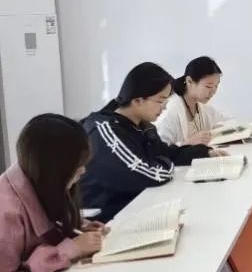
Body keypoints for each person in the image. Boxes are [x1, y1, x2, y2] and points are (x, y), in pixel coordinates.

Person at [80, 62, 220, 223]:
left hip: (136, 206)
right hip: (105, 220)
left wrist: (204, 152)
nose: (164, 108)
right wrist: (162, 161)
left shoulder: (142, 125)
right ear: (138, 100)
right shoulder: (105, 130)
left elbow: (166, 153)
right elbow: (151, 175)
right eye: (160, 101)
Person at [0, 114, 104, 272]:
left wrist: (76, 228)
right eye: (76, 165)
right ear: (54, 169)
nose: (83, 171)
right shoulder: (6, 214)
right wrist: (68, 250)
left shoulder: (36, 179)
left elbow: (46, 220)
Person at [156, 56, 229, 146]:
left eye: (216, 86)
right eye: (208, 86)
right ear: (189, 81)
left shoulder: (202, 106)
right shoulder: (170, 111)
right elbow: (159, 150)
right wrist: (188, 142)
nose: (213, 92)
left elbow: (226, 122)